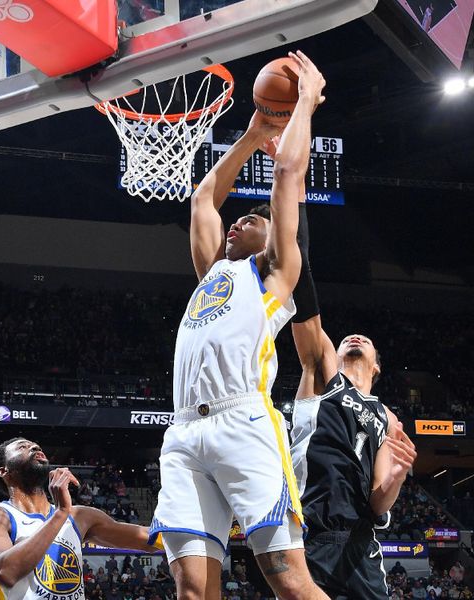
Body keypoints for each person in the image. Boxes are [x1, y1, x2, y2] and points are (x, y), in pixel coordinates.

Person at [149, 51, 328, 600]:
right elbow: (204, 198)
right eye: (239, 217)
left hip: (242, 422)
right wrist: (249, 137)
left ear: (273, 236)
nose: (238, 221)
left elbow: (288, 171)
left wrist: (303, 104)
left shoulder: (275, 274)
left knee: (287, 578)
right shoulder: (212, 273)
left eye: (252, 219)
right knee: (191, 589)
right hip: (182, 432)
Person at [288, 203, 417, 598]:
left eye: (365, 340)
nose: (355, 337)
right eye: (347, 338)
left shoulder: (388, 418)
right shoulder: (324, 371)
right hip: (310, 533)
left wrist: (396, 479)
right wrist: (295, 192)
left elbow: (379, 501)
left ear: (377, 366)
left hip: (360, 543)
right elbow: (301, 288)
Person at [0, 438, 160, 600]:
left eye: (36, 446)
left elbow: (150, 540)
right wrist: (60, 514)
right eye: (22, 447)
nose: (35, 448)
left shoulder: (80, 517)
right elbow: (5, 572)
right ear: (3, 471)